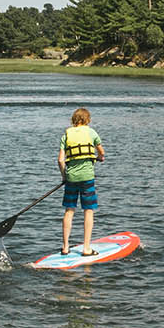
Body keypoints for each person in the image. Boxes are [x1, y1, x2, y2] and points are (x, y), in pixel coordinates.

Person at [57, 107, 105, 256]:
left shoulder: (66, 134)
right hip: (87, 178)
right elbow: (101, 152)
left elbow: (60, 160)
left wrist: (64, 176)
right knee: (88, 211)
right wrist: (100, 158)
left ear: (74, 120)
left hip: (71, 178)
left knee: (69, 210)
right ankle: (86, 248)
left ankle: (65, 247)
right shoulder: (91, 132)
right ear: (87, 120)